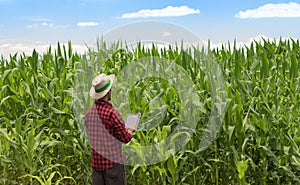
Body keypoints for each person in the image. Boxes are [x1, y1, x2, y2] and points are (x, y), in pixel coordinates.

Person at [85, 73, 135, 185]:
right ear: (108, 92)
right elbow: (125, 138)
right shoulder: (112, 113)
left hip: (97, 166)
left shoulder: (89, 113)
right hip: (113, 165)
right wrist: (130, 130)